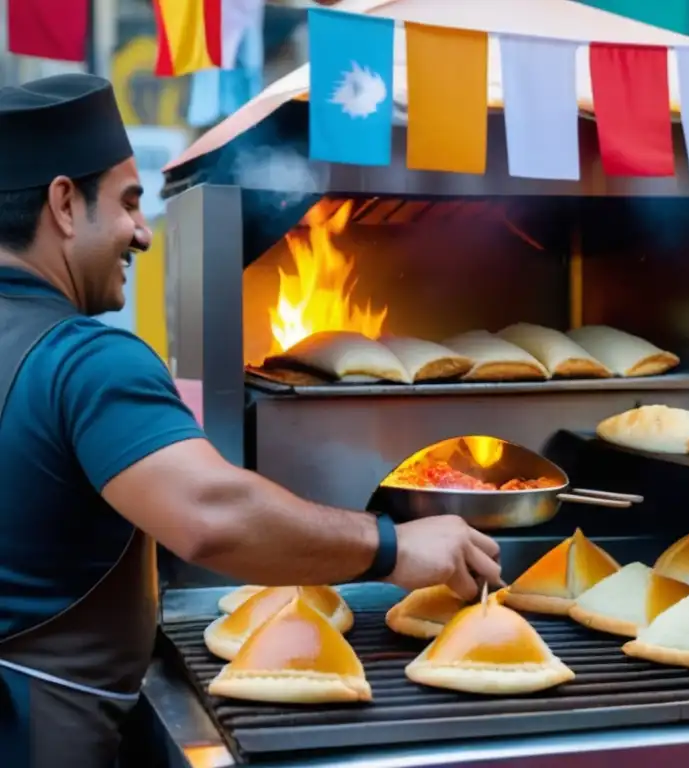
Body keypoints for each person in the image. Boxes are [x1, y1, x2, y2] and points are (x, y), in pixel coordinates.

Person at [0, 74, 501, 768]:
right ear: (62, 203)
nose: (143, 233)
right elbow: (212, 514)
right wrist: (392, 546)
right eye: (128, 203)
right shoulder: (85, 360)